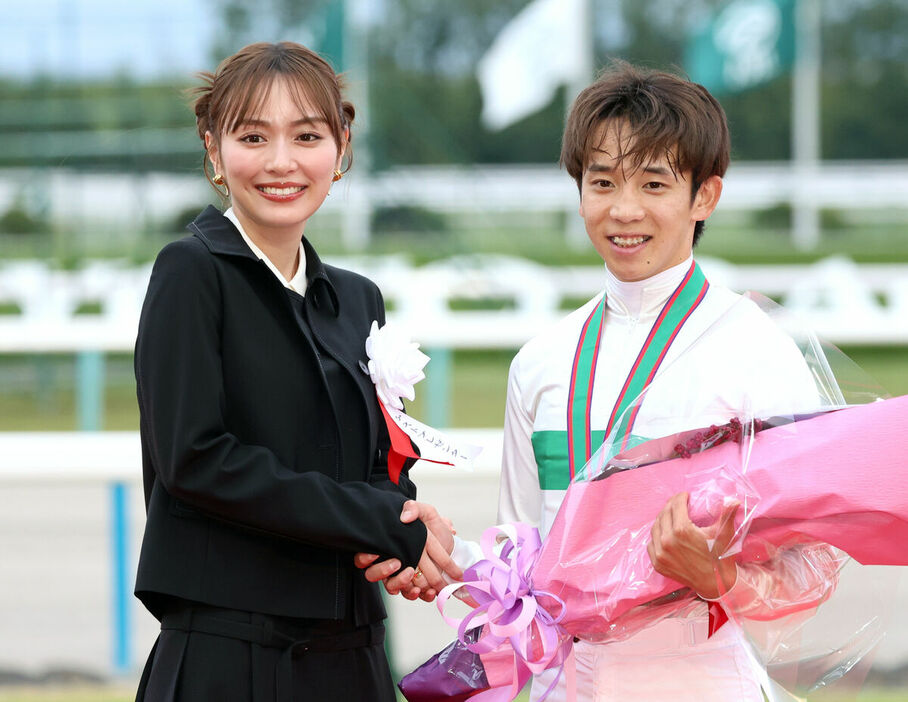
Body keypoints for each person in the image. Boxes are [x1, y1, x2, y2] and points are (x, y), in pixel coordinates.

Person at [362, 61, 837, 700]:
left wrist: (719, 576)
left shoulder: (756, 351)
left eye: (654, 183)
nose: (624, 209)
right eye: (603, 181)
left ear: (706, 195)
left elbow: (806, 575)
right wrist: (445, 552)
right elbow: (523, 572)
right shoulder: (541, 362)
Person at [133, 41, 458, 702]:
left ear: (341, 149)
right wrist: (376, 516)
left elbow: (372, 470)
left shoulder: (357, 298)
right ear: (213, 151)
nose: (281, 162)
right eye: (254, 136)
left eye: (306, 136)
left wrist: (403, 539)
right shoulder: (192, 273)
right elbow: (197, 459)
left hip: (353, 659)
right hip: (231, 661)